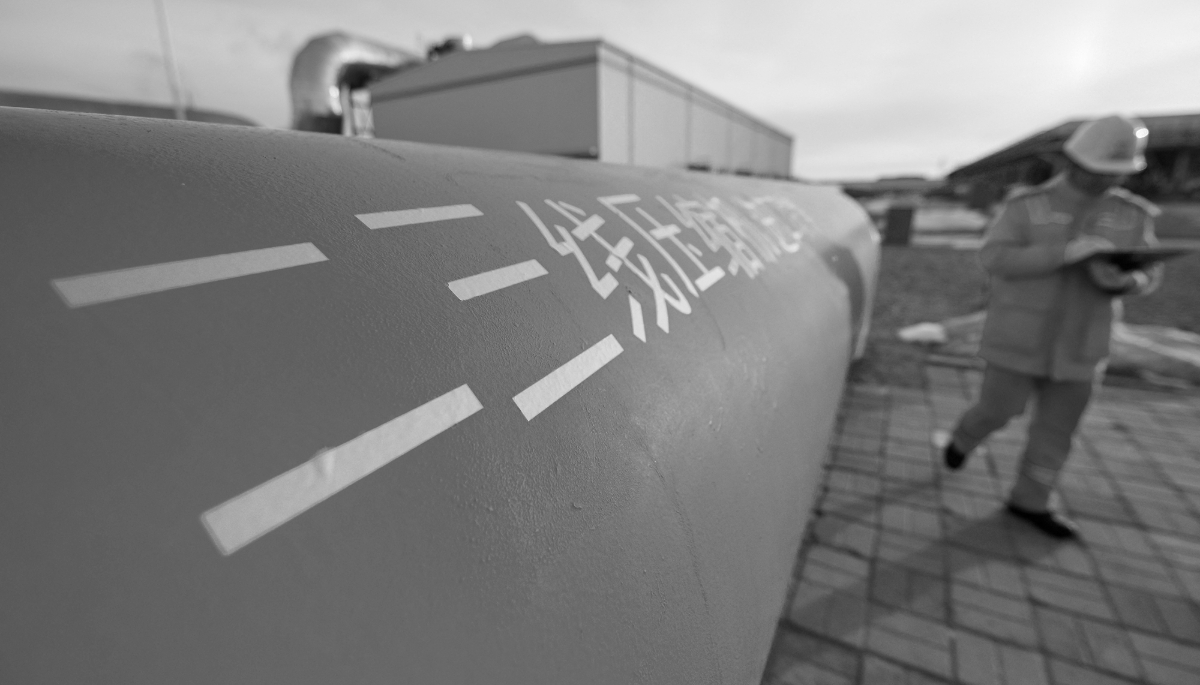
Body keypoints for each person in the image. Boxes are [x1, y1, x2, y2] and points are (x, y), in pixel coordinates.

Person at [942, 115, 1163, 539]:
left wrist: (1129, 281)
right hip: (1018, 339)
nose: (1102, 180)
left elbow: (1148, 272)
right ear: (1073, 160)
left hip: (1083, 344)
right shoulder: (1027, 207)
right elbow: (995, 259)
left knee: (1057, 432)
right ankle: (964, 438)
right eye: (1096, 170)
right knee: (998, 410)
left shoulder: (1131, 215)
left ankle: (1031, 500)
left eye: (1114, 174)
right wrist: (1064, 254)